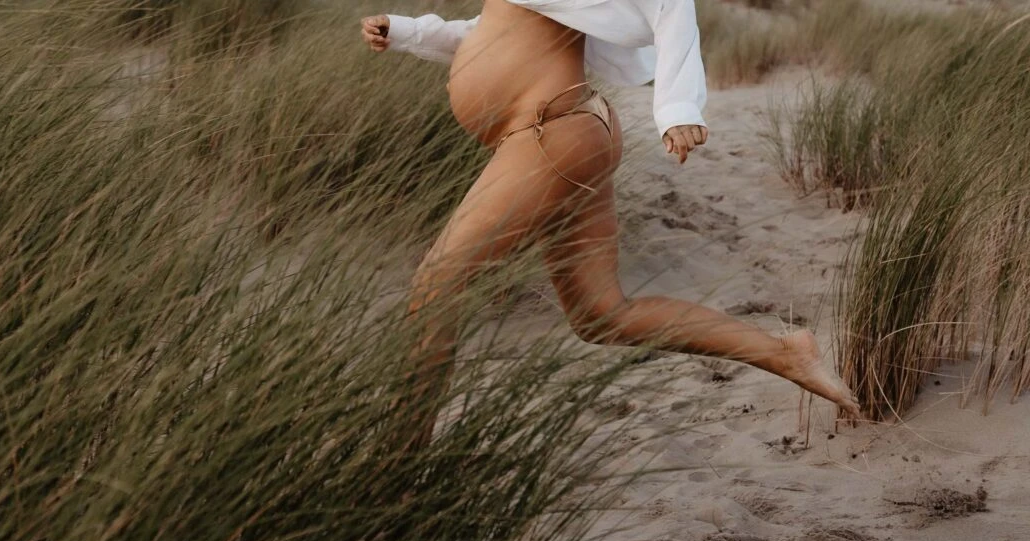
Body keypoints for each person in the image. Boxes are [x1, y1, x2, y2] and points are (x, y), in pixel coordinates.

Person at [361, 1, 860, 447]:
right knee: (602, 314)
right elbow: (494, 27)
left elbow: (669, 5)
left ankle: (398, 461)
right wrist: (407, 32)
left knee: (438, 280)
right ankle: (785, 355)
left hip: (549, 134)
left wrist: (677, 106)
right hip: (567, 131)